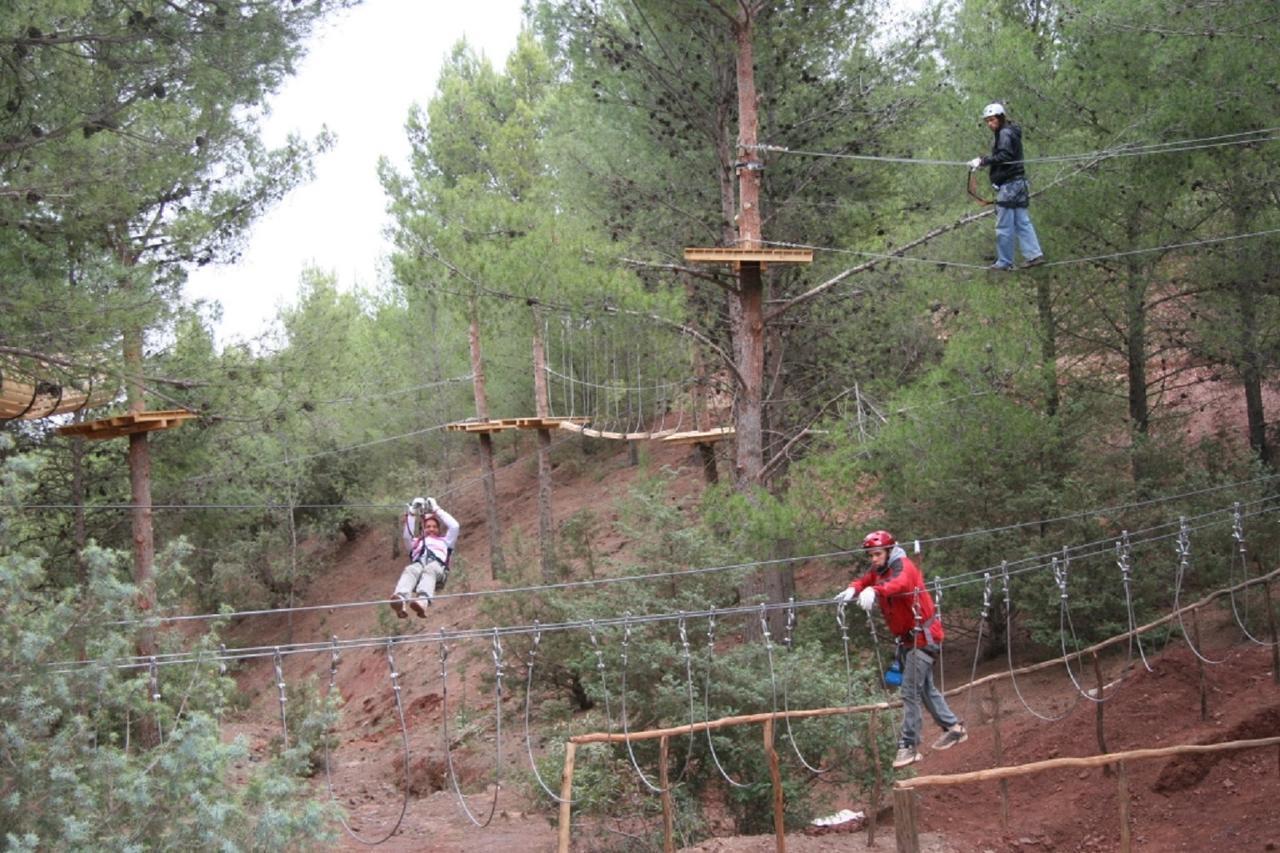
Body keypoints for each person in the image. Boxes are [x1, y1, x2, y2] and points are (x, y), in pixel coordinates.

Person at [835, 530, 967, 769]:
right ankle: (954, 728)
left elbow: (901, 583)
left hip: (924, 640)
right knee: (925, 688)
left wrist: (875, 591)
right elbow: (865, 580)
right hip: (909, 641)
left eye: (877, 554)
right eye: (871, 555)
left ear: (889, 551)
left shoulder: (903, 566)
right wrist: (854, 589)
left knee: (909, 691)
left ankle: (908, 745)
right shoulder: (880, 570)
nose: (873, 559)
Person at [968, 102, 1045, 271]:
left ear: (1001, 118)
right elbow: (1006, 155)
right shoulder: (1011, 132)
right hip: (1019, 184)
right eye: (987, 121)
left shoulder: (1004, 133)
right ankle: (1034, 255)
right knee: (1022, 222)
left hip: (1010, 186)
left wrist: (982, 161)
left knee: (1004, 225)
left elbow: (1005, 155)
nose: (990, 124)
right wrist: (984, 162)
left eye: (992, 120)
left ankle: (1004, 261)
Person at [391, 497, 459, 618]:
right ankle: (401, 600)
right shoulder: (416, 543)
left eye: (434, 526)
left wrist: (436, 509)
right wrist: (412, 514)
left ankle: (423, 601)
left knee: (430, 568)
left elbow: (455, 526)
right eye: (428, 526)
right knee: (410, 569)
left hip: (438, 570)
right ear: (423, 529)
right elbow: (407, 536)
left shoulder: (446, 542)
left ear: (439, 529)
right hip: (419, 568)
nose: (431, 529)